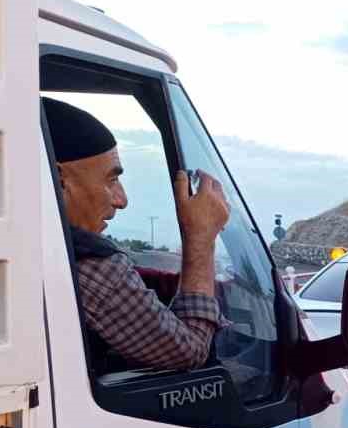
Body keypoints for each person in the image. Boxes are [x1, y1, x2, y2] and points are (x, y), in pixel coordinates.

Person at [43, 97, 228, 373]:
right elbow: (189, 351)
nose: (122, 199)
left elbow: (129, 284)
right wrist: (201, 239)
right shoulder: (87, 264)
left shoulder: (36, 245)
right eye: (111, 179)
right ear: (59, 181)